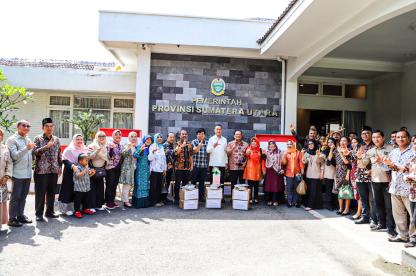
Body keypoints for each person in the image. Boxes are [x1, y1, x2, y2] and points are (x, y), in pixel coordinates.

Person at [383, 130, 416, 247]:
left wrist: (393, 166)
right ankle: (402, 235)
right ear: (395, 139)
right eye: (398, 137)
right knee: (398, 214)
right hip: (395, 187)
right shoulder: (394, 151)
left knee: (413, 215)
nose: (400, 139)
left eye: (403, 137)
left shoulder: (413, 151)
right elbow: (387, 166)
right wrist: (382, 162)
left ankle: (413, 238)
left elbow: (406, 168)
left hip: (409, 189)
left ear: (408, 138)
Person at [365, 130, 396, 236]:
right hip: (375, 180)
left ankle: (391, 227)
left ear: (383, 138)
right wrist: (361, 160)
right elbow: (365, 164)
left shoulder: (391, 149)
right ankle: (381, 223)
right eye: (373, 138)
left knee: (389, 206)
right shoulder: (370, 151)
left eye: (378, 137)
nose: (375, 139)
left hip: (388, 181)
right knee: (378, 204)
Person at [33, 118, 62, 222]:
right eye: (47, 126)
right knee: (40, 193)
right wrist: (46, 146)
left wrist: (60, 167)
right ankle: (38, 214)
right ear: (43, 127)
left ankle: (50, 212)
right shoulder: (38, 138)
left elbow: (59, 154)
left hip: (53, 170)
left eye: (51, 126)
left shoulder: (56, 139)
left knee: (51, 193)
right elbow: (34, 152)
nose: (49, 128)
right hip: (41, 171)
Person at [7, 120, 35, 227]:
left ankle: (20, 215)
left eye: (28, 126)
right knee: (16, 197)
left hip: (27, 173)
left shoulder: (28, 139)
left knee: (23, 196)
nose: (26, 127)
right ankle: (12, 218)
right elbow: (14, 156)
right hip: (18, 173)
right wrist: (27, 148)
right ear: (18, 126)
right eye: (24, 125)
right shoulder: (12, 140)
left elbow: (29, 155)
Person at [58, 134, 88, 216]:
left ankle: (78, 209)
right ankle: (65, 209)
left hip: (81, 175)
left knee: (79, 191)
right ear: (74, 140)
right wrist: (72, 166)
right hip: (70, 172)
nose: (79, 141)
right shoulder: (69, 149)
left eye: (81, 139)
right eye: (77, 139)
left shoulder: (85, 149)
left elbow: (86, 160)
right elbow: (64, 160)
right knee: (68, 190)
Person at [355, 126, 378, 227]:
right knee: (363, 198)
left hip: (372, 176)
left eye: (367, 133)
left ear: (371, 134)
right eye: (363, 134)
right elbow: (354, 159)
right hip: (360, 175)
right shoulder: (360, 146)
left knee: (373, 200)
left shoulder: (375, 146)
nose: (365, 135)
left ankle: (374, 219)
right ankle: (365, 217)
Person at [329, 137, 352, 215]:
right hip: (338, 173)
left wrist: (348, 174)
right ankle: (340, 208)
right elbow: (329, 161)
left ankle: (346, 209)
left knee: (346, 192)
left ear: (348, 143)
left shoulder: (349, 151)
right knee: (339, 192)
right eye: (341, 140)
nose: (343, 142)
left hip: (346, 173)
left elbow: (348, 164)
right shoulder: (336, 150)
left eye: (345, 141)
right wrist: (332, 150)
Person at [88, 131, 109, 211]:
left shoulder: (106, 146)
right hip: (93, 169)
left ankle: (99, 205)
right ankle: (92, 206)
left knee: (100, 188)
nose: (102, 137)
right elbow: (89, 156)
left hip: (101, 169)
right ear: (96, 137)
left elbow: (108, 157)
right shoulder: (92, 145)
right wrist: (97, 151)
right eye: (100, 136)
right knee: (92, 188)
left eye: (103, 136)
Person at [302, 140, 325, 211]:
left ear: (315, 144)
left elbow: (322, 164)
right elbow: (304, 162)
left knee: (314, 191)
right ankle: (313, 205)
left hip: (316, 175)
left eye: (312, 144)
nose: (310, 145)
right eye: (309, 144)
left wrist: (321, 173)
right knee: (309, 191)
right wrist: (303, 154)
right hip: (308, 175)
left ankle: (310, 205)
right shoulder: (307, 153)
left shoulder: (320, 153)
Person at [282, 139, 304, 208]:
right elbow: (283, 163)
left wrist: (302, 170)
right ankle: (289, 202)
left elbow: (300, 161)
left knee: (296, 188)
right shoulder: (286, 152)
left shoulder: (298, 152)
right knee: (289, 188)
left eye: (290, 144)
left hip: (297, 173)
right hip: (288, 173)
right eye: (288, 144)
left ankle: (296, 202)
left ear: (293, 144)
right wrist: (284, 156)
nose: (289, 145)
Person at [73, 153, 96, 218]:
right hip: (79, 188)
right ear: (80, 161)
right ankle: (77, 211)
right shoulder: (77, 167)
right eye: (86, 160)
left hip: (86, 187)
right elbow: (77, 175)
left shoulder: (86, 167)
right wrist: (84, 171)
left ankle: (85, 209)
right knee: (78, 200)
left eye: (87, 160)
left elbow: (88, 176)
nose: (87, 161)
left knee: (86, 199)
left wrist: (92, 173)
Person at [133, 135, 153, 208]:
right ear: (144, 140)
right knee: (139, 185)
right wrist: (140, 150)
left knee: (146, 186)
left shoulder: (150, 148)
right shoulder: (140, 146)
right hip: (140, 170)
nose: (148, 141)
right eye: (147, 139)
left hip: (147, 170)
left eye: (150, 140)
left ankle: (145, 203)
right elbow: (135, 155)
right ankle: (138, 203)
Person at [119, 131, 138, 208]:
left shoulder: (136, 146)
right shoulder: (126, 145)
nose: (133, 138)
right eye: (132, 136)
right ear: (128, 137)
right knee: (126, 185)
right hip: (127, 168)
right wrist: (128, 147)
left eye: (135, 136)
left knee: (131, 185)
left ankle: (127, 199)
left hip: (134, 167)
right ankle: (125, 201)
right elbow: (123, 154)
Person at [105, 130, 123, 209]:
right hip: (111, 168)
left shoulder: (120, 145)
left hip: (118, 168)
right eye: (116, 134)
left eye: (119, 135)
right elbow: (109, 156)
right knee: (110, 185)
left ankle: (112, 200)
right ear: (113, 136)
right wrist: (112, 149)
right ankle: (108, 202)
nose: (118, 136)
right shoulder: (110, 144)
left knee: (114, 185)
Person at [174, 130, 193, 202]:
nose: (184, 135)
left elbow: (191, 156)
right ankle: (176, 198)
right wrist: (182, 146)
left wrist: (192, 165)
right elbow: (176, 153)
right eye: (183, 134)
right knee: (177, 184)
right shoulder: (177, 144)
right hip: (178, 167)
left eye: (185, 134)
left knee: (185, 184)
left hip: (187, 167)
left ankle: (184, 197)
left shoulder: (190, 145)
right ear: (180, 135)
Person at [149, 133, 167, 207]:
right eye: (158, 137)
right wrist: (153, 151)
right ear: (155, 138)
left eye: (161, 137)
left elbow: (164, 159)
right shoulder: (152, 146)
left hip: (161, 170)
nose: (159, 138)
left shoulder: (162, 147)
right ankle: (152, 201)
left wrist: (164, 169)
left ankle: (158, 200)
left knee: (159, 186)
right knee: (153, 186)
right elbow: (150, 158)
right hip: (154, 169)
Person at [264, 140, 284, 206]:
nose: (271, 145)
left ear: (275, 145)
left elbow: (283, 161)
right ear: (268, 145)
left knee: (276, 186)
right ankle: (269, 200)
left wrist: (282, 169)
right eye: (270, 144)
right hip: (269, 171)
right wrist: (262, 154)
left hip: (277, 171)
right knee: (269, 186)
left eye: (273, 144)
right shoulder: (266, 152)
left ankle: (275, 200)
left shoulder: (280, 152)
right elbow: (263, 160)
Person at [244, 137, 263, 204]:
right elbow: (246, 155)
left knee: (256, 185)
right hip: (250, 169)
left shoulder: (260, 150)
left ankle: (256, 198)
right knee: (250, 185)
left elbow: (263, 158)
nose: (254, 142)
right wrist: (247, 153)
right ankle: (249, 198)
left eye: (255, 141)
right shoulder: (248, 149)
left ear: (257, 143)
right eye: (252, 141)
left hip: (257, 169)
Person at [0, 128, 13, 231]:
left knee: (1, 202)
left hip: (2, 180)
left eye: (0, 134)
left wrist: (7, 176)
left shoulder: (5, 149)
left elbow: (9, 164)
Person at [191, 128, 208, 201]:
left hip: (204, 166)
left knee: (202, 182)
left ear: (204, 135)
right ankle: (192, 196)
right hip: (195, 165)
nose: (200, 135)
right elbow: (194, 151)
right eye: (198, 134)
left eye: (202, 134)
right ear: (196, 135)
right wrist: (200, 145)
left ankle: (201, 197)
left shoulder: (207, 142)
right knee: (193, 181)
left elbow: (209, 154)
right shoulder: (194, 142)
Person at [322, 138, 336, 210]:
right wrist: (331, 150)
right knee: (329, 189)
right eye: (329, 142)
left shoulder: (337, 150)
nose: (330, 143)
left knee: (335, 189)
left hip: (337, 173)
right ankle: (328, 204)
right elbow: (328, 162)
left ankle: (335, 204)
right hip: (329, 173)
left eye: (332, 142)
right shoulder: (325, 151)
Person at [350, 137, 362, 220]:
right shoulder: (352, 151)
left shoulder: (360, 151)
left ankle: (359, 213)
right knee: (356, 194)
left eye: (355, 142)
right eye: (352, 142)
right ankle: (359, 212)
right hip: (353, 173)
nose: (353, 144)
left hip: (359, 173)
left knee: (359, 194)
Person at [163, 132, 176, 202]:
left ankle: (165, 197)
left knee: (167, 182)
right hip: (165, 168)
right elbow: (166, 155)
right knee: (164, 183)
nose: (172, 138)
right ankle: (162, 198)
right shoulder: (164, 145)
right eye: (170, 137)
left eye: (173, 137)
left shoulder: (173, 145)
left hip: (171, 168)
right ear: (167, 137)